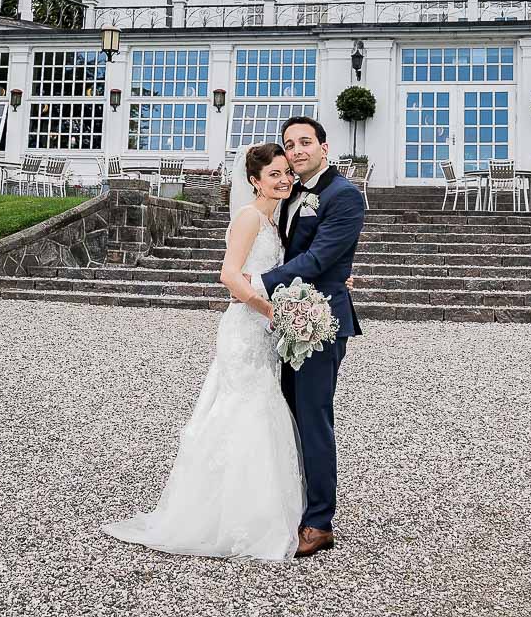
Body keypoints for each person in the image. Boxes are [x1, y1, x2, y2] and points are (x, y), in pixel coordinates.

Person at [101, 143, 304, 561]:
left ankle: (252, 509)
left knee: (261, 409)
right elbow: (228, 274)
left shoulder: (274, 219)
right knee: (246, 409)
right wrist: (271, 310)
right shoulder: (249, 217)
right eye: (274, 174)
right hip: (246, 329)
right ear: (254, 181)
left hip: (263, 331)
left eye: (286, 172)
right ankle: (231, 518)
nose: (284, 179)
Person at [253, 116, 365, 558]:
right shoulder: (290, 191)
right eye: (289, 144)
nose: (296, 150)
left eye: (305, 142)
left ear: (324, 145)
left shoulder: (344, 195)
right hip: (285, 318)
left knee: (314, 417)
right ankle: (288, 500)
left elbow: (319, 258)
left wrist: (255, 281)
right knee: (285, 413)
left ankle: (319, 520)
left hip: (320, 321)